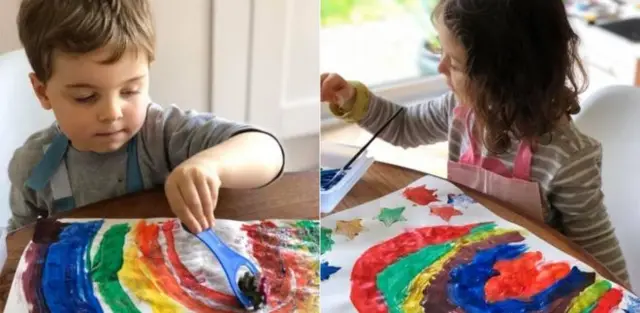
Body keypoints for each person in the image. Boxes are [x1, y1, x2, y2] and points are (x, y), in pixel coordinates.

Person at [321, 0, 630, 284]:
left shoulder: (566, 155)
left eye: (454, 63)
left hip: (534, 279)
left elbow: (597, 250)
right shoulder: (458, 110)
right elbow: (403, 126)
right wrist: (351, 98)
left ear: (504, 76)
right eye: (439, 52)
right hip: (472, 258)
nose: (440, 67)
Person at [8, 0, 285, 234]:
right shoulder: (33, 168)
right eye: (86, 97)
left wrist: (209, 165)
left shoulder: (163, 135)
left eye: (130, 90)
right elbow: (20, 242)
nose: (112, 113)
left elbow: (267, 150)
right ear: (43, 92)